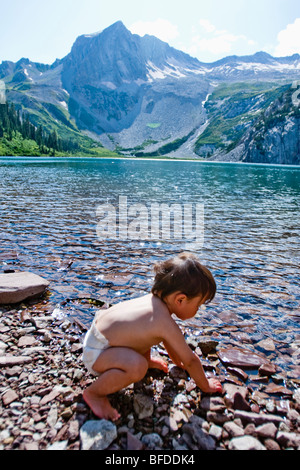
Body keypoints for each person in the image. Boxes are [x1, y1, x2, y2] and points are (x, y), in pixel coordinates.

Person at [82, 252, 223, 421]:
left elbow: (166, 341)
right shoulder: (163, 321)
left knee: (143, 334)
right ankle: (94, 393)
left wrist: (178, 362)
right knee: (138, 367)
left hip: (99, 338)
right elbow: (191, 360)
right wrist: (205, 385)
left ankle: (145, 361)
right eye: (198, 305)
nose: (198, 310)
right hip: (97, 353)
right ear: (180, 300)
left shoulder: (154, 304)